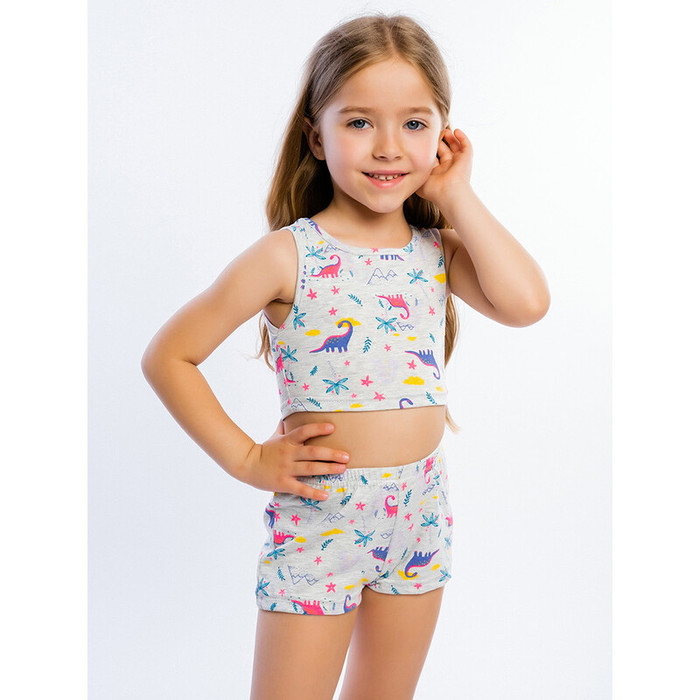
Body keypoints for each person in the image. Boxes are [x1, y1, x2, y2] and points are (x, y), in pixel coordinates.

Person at [141, 11, 550, 700]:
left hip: (419, 515)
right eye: (359, 122)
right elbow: (169, 356)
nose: (388, 147)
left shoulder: (438, 251)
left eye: (414, 123)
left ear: (443, 136)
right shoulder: (288, 256)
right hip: (320, 523)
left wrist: (457, 194)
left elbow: (528, 302)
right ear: (316, 136)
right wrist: (247, 459)